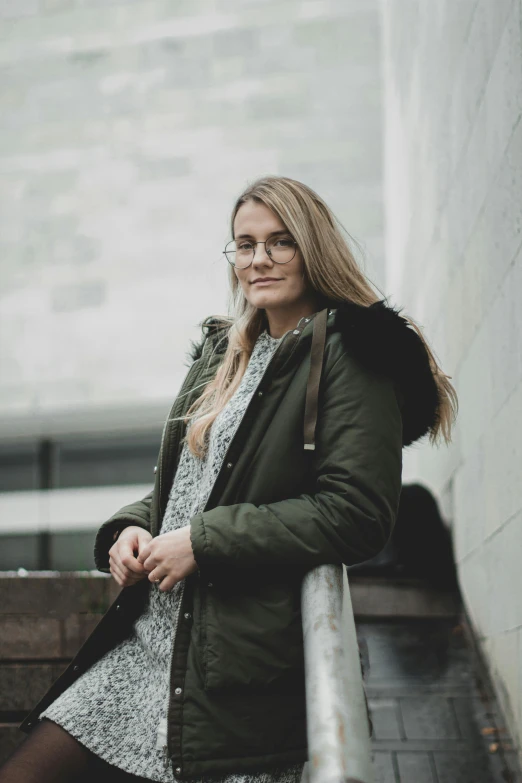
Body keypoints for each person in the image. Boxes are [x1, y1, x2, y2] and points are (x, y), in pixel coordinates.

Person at [0, 176, 458, 783]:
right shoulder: (225, 351)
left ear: (313, 247)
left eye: (280, 242)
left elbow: (358, 513)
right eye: (244, 244)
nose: (259, 260)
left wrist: (203, 542)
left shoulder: (352, 353)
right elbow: (189, 486)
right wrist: (133, 529)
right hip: (146, 648)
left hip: (231, 671)